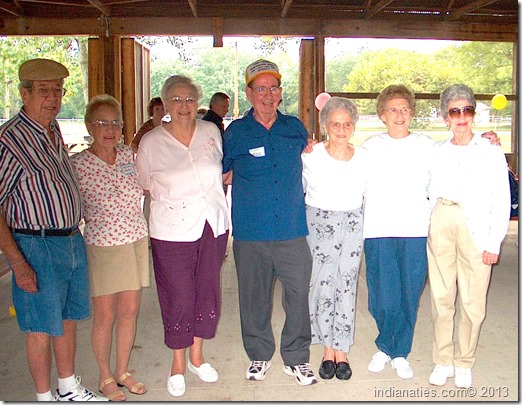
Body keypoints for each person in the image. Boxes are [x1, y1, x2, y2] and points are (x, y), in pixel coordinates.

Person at [0, 58, 107, 401]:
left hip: (70, 239)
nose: (53, 98)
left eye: (58, 90)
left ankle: (67, 387)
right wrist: (17, 262)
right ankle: (43, 397)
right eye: (44, 91)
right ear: (24, 94)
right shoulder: (10, 139)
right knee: (40, 326)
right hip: (35, 244)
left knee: (68, 318)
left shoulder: (52, 129)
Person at [223, 59, 317, 386]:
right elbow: (221, 174)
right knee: (253, 298)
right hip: (251, 232)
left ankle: (296, 357)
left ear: (280, 93)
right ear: (249, 94)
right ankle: (259, 354)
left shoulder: (294, 127)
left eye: (273, 88)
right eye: (260, 88)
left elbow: (314, 159)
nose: (268, 94)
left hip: (292, 230)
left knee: (298, 296)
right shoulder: (236, 133)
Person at [135, 75, 229, 398]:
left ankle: (197, 357)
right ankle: (177, 363)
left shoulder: (210, 131)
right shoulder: (151, 142)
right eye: (176, 99)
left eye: (190, 98)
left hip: (212, 223)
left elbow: (220, 171)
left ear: (197, 102)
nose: (184, 105)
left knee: (207, 290)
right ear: (164, 104)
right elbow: (144, 183)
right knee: (178, 295)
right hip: (171, 230)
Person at [427, 84, 510, 389]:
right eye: (454, 111)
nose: (461, 116)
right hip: (442, 218)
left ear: (474, 114)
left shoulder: (490, 149)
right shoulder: (436, 151)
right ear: (445, 117)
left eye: (467, 110)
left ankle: (464, 361)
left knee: (473, 301)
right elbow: (427, 189)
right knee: (441, 296)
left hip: (476, 225)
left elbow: (501, 197)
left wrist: (493, 241)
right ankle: (443, 359)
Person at [70, 95, 150, 401]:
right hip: (103, 245)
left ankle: (123, 370)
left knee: (130, 311)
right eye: (102, 122)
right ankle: (105, 375)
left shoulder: (129, 155)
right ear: (90, 126)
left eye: (115, 122)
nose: (110, 129)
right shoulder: (79, 164)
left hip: (135, 239)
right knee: (105, 315)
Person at [363, 84, 435, 380]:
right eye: (393, 109)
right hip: (378, 230)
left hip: (415, 229)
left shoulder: (427, 146)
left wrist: (486, 140)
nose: (399, 114)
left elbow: (458, 155)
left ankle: (399, 352)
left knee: (408, 293)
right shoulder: (370, 147)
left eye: (405, 109)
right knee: (382, 295)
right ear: (382, 114)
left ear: (412, 113)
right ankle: (386, 344)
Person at [301, 97, 370, 381]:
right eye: (335, 124)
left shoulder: (365, 157)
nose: (341, 129)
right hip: (319, 223)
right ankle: (326, 349)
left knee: (346, 284)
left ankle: (342, 350)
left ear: (353, 126)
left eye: (347, 124)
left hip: (353, 222)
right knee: (321, 284)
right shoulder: (310, 155)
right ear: (325, 126)